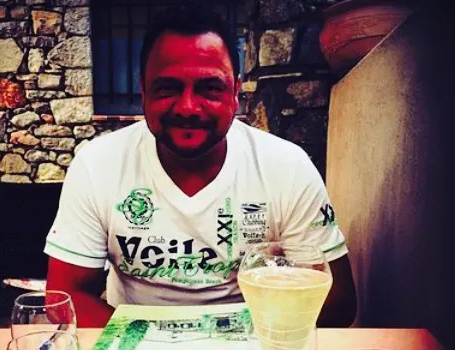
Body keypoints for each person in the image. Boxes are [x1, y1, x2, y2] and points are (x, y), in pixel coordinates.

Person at [44, 3, 357, 328]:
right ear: (143, 91)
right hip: (131, 347)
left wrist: (236, 338)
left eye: (210, 88)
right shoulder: (98, 164)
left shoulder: (286, 167)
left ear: (236, 92)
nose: (188, 107)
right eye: (168, 88)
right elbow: (65, 295)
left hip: (251, 348)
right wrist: (149, 344)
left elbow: (336, 303)